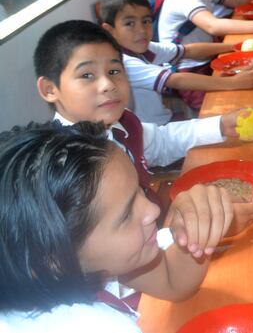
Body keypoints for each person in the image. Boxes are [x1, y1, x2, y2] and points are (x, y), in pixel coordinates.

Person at [33, 20, 253, 236]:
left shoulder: (122, 123)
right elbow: (114, 260)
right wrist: (194, 233)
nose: (108, 85)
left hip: (161, 229)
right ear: (49, 89)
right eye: (86, 75)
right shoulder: (68, 169)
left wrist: (221, 125)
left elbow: (161, 142)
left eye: (114, 71)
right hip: (151, 251)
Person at [0, 121, 235, 331]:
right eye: (125, 216)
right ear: (55, 260)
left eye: (140, 190)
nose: (154, 210)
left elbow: (173, 281)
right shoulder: (91, 325)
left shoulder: (85, 263)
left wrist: (194, 233)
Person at [100, 0, 253, 125]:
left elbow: (188, 50)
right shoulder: (123, 63)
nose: (142, 30)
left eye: (146, 21)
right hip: (152, 137)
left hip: (165, 121)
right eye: (129, 23)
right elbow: (176, 80)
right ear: (109, 30)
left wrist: (235, 47)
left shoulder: (144, 47)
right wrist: (233, 83)